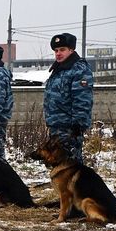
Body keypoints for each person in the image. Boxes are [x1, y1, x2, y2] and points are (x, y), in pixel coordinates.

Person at [44, 33, 93, 163]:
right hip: (56, 127)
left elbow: (82, 99)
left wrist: (78, 125)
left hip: (69, 129)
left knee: (71, 167)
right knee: (59, 167)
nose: (58, 53)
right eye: (56, 50)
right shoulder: (59, 70)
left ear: (71, 50)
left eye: (62, 50)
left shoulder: (78, 69)